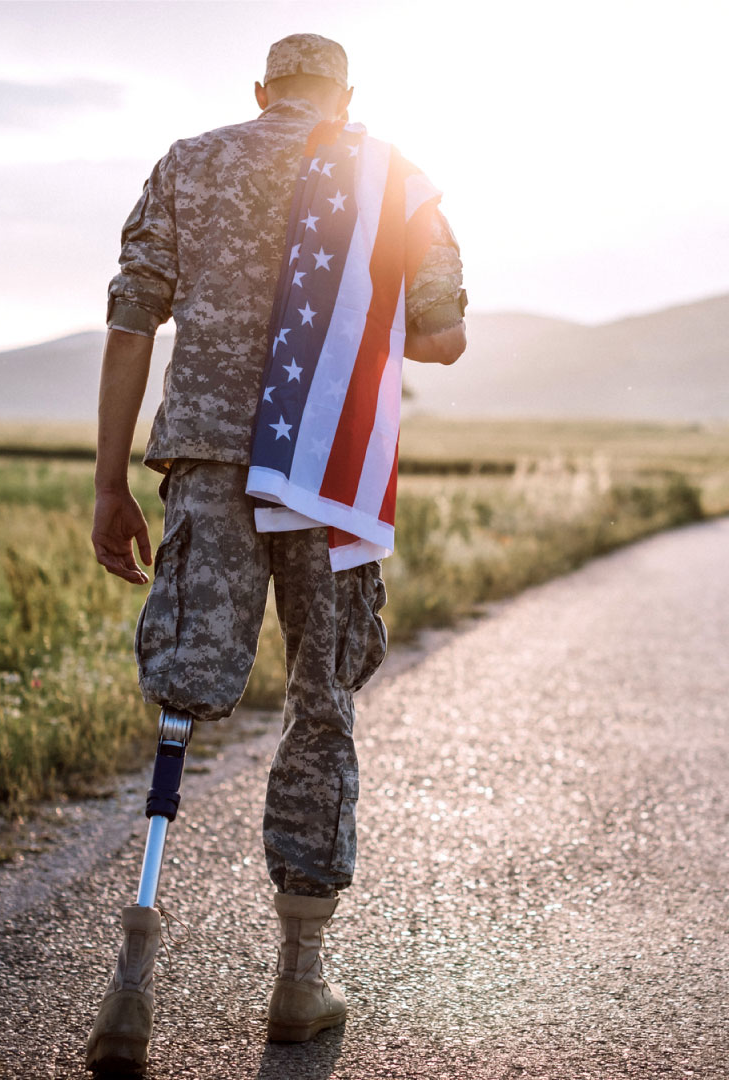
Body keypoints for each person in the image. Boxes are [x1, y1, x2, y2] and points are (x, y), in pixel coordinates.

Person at [85, 32, 466, 1074]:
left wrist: (111, 479)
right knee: (321, 698)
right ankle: (299, 982)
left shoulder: (189, 163)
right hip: (325, 475)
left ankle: (133, 984)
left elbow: (130, 323)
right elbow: (440, 337)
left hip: (205, 463)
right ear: (346, 99)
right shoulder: (391, 176)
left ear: (260, 92)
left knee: (182, 695)